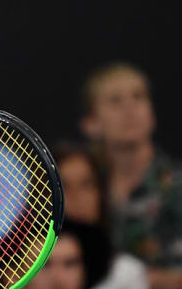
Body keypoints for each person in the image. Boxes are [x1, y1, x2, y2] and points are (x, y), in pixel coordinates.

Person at [80, 62, 182, 289]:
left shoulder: (178, 185)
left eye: (138, 97)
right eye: (115, 100)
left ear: (152, 114)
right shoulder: (82, 188)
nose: (130, 109)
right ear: (91, 124)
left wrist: (144, 281)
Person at [51, 141, 148, 288]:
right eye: (64, 186)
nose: (77, 196)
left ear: (101, 193)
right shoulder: (23, 270)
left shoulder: (127, 273)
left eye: (86, 184)